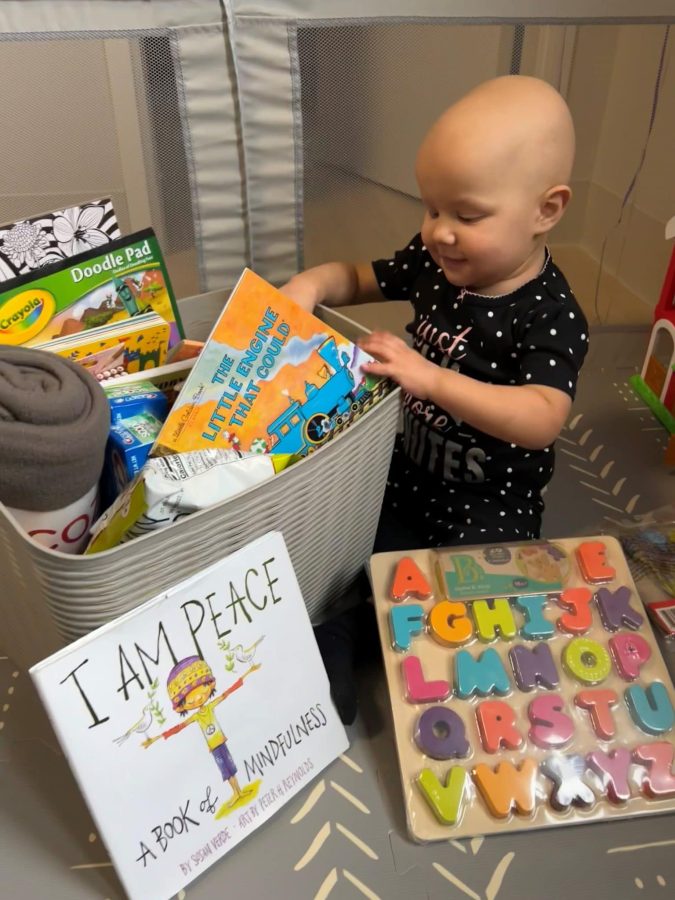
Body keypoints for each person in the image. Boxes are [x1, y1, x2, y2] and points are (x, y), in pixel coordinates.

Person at [281, 75, 589, 724]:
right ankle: (336, 644)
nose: (439, 232)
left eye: (466, 215)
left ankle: (435, 671)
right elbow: (360, 277)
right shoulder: (434, 260)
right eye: (430, 208)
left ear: (546, 209)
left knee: (479, 598)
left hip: (489, 495)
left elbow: (539, 419)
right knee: (351, 561)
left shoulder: (548, 314)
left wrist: (429, 378)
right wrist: (309, 284)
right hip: (407, 472)